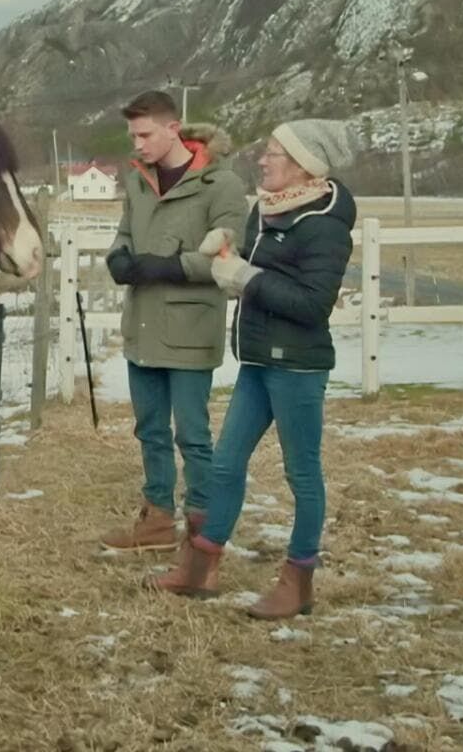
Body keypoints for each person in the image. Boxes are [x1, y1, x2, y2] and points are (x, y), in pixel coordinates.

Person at [153, 118, 357, 619]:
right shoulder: (267, 209)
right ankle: (201, 568)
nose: (262, 160)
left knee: (301, 474)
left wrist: (246, 277)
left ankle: (298, 581)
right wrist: (228, 248)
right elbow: (257, 265)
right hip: (258, 361)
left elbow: (312, 303)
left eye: (273, 154)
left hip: (298, 368)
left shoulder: (325, 224)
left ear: (304, 165)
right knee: (225, 465)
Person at [98, 90, 248, 553]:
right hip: (142, 325)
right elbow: (125, 233)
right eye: (132, 136)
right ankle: (158, 519)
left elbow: (230, 257)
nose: (137, 144)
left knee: (193, 435)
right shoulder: (137, 181)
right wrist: (118, 256)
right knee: (150, 430)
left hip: (189, 331)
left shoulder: (221, 185)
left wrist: (166, 266)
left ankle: (202, 526)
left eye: (145, 135)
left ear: (173, 128)